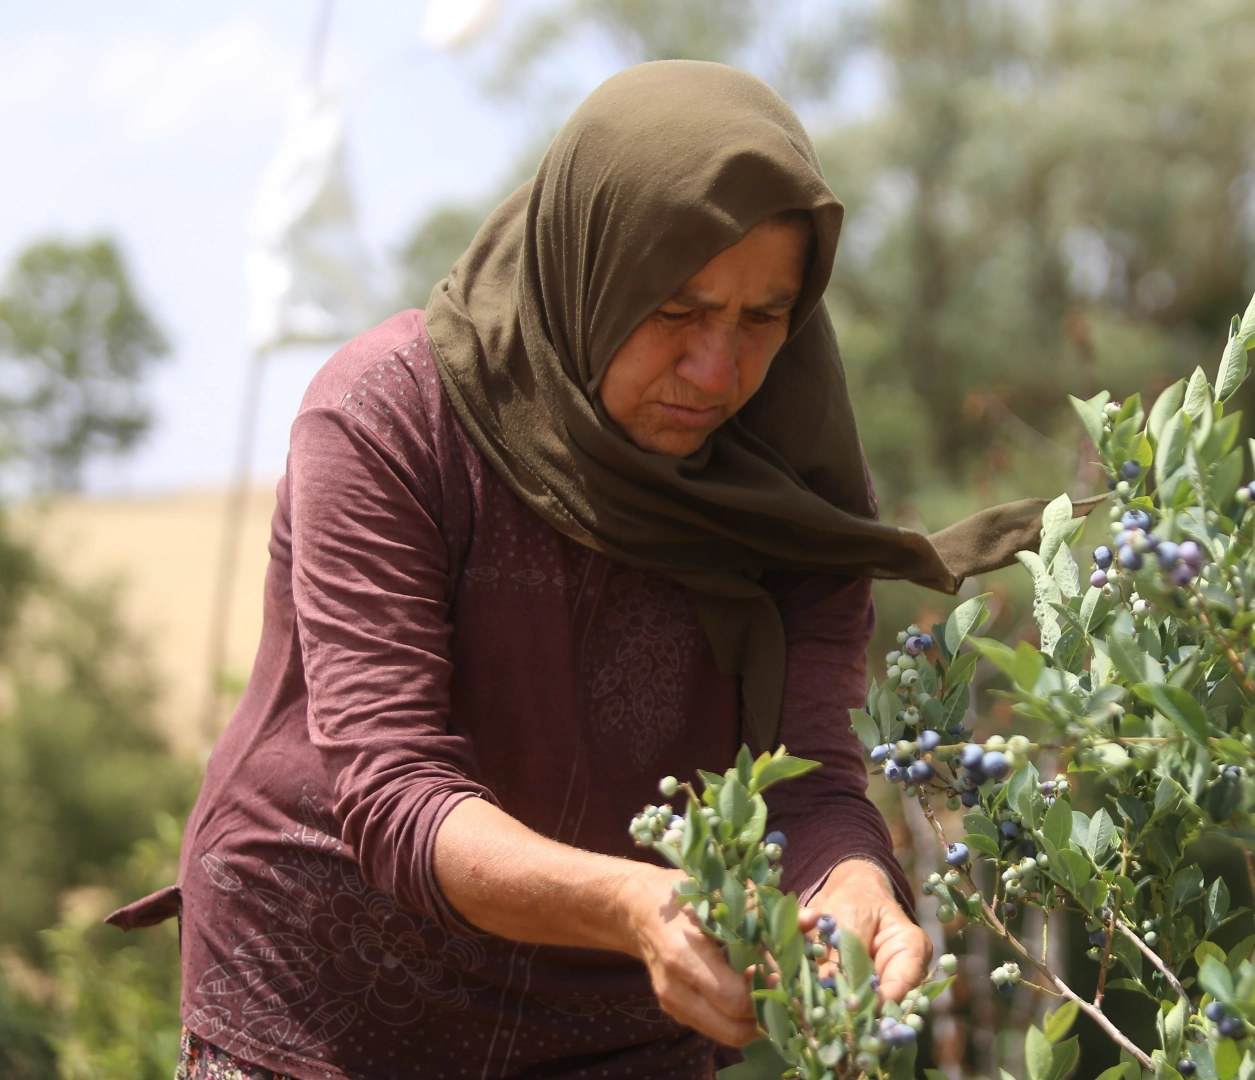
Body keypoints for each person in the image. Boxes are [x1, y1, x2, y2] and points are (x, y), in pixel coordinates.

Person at [112, 61, 1074, 1080]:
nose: (716, 371)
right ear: (590, 264)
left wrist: (855, 885)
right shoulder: (390, 418)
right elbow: (393, 790)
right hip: (325, 1005)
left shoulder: (794, 488)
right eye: (675, 308)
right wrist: (640, 904)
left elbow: (808, 780)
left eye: (761, 317)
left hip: (615, 1024)